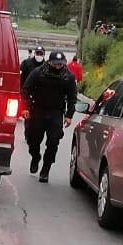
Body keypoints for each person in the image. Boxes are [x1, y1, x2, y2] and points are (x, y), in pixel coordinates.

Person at [21, 50, 77, 183]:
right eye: (55, 63)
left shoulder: (68, 77)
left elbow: (72, 97)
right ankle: (35, 157)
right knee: (32, 140)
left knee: (53, 142)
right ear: (50, 62)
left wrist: (69, 115)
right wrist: (24, 108)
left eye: (61, 63)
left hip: (56, 113)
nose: (58, 66)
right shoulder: (38, 72)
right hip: (37, 110)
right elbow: (25, 90)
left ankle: (45, 170)